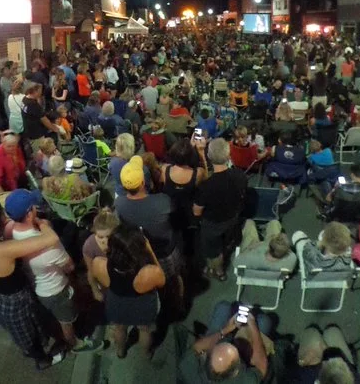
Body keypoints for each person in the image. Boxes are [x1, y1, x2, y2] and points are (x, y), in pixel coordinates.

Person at [0, 199, 67, 370]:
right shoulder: (1, 249)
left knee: (27, 330)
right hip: (14, 303)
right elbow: (51, 238)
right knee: (28, 336)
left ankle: (40, 347)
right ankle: (43, 361)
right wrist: (40, 222)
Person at [3, 190, 101, 353]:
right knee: (66, 320)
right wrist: (43, 225)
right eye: (33, 207)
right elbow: (69, 266)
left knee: (58, 314)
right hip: (55, 290)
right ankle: (75, 344)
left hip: (36, 284)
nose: (36, 208)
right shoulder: (48, 246)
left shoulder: (10, 230)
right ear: (29, 214)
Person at [90, 224, 166, 359]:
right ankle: (146, 354)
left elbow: (99, 280)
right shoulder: (147, 273)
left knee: (119, 328)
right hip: (143, 303)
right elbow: (161, 278)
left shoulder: (98, 263)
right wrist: (149, 249)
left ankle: (120, 351)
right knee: (144, 329)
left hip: (117, 301)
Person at [115, 156, 185, 297]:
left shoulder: (118, 204)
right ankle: (178, 303)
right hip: (165, 252)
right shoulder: (163, 201)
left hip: (141, 254)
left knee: (154, 287)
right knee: (174, 280)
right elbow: (178, 223)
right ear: (142, 183)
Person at [194, 138, 249, 281]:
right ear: (228, 156)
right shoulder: (240, 176)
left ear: (209, 156)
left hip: (212, 224)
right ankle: (220, 271)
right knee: (225, 242)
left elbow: (196, 212)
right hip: (232, 219)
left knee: (213, 251)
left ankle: (218, 270)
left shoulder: (206, 186)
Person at [179, 301, 270, 383]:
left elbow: (196, 347)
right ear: (236, 372)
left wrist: (225, 330)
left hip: (218, 339)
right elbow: (261, 365)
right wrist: (252, 324)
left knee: (223, 307)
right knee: (264, 321)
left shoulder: (187, 369)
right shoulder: (245, 380)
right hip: (246, 354)